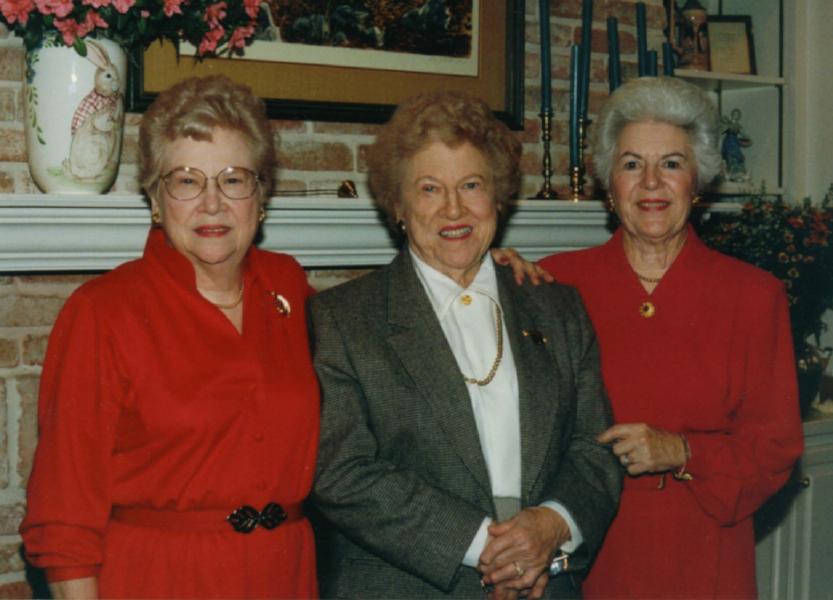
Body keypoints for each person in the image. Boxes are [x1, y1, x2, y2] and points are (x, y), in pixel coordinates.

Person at [310, 90, 622, 599]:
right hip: (408, 585)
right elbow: (342, 472)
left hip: (549, 581)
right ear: (399, 205)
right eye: (429, 188)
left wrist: (551, 525)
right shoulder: (343, 319)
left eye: (471, 185)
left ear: (497, 195)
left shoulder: (557, 308)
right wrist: (490, 548)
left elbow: (595, 448)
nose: (453, 208)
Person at [19, 76, 320, 599]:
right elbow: (64, 512)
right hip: (159, 579)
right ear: (156, 198)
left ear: (261, 194)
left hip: (284, 574)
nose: (211, 204)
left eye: (233, 179)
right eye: (186, 180)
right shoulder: (103, 312)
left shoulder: (289, 287)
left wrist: (485, 272)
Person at [539, 76, 804, 599]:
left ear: (697, 182)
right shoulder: (554, 284)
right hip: (587, 561)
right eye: (633, 164)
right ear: (610, 184)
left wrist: (682, 451)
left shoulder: (753, 296)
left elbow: (776, 449)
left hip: (703, 559)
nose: (652, 183)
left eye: (672, 164)